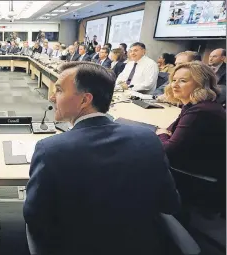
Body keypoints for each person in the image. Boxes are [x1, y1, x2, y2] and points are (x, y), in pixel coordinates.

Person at [24, 62, 180, 255]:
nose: (52, 97)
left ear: (85, 100)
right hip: (140, 245)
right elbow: (170, 203)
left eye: (59, 90)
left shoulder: (50, 149)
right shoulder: (148, 138)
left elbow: (34, 216)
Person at [156, 61, 225, 210]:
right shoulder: (195, 105)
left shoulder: (200, 111)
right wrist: (164, 134)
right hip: (200, 161)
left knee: (142, 157)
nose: (175, 85)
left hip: (199, 174)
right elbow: (170, 129)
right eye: (174, 80)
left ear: (201, 84)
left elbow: (168, 149)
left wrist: (162, 135)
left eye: (183, 81)